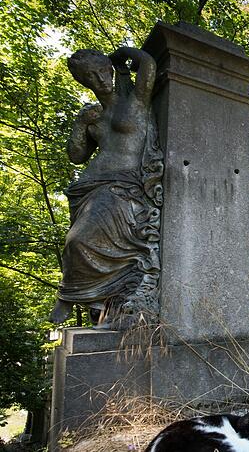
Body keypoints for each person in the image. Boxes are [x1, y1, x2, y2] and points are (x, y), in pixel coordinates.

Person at [49, 47, 162, 329]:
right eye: (92, 76)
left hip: (126, 185)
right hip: (92, 186)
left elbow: (147, 64)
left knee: (84, 241)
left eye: (103, 71)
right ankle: (84, 298)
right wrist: (80, 124)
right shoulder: (92, 115)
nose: (100, 79)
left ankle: (81, 296)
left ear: (110, 69)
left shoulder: (136, 99)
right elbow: (76, 155)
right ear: (84, 81)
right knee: (77, 241)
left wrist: (121, 53)